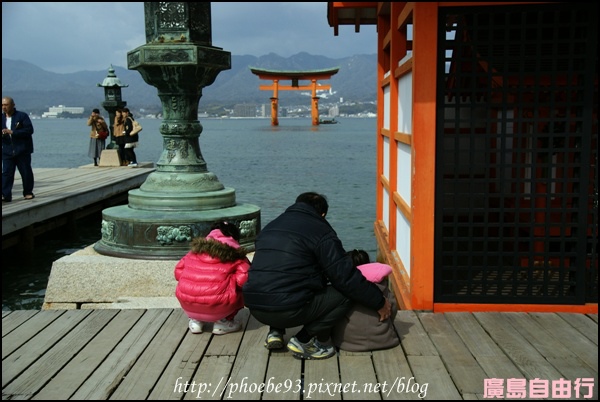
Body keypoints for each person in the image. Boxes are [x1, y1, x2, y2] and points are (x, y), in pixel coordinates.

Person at [242, 192, 392, 360]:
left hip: (255, 308)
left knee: (278, 278)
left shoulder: (271, 227)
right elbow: (346, 278)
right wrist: (378, 301)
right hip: (287, 310)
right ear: (322, 214)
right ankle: (304, 340)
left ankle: (275, 332)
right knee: (345, 293)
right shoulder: (322, 231)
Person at [174, 221, 251, 335]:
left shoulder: (193, 252)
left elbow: (178, 273)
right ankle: (223, 322)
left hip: (188, 305)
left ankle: (196, 321)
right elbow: (244, 280)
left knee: (191, 286)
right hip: (221, 307)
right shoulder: (235, 256)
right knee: (239, 288)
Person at [331, 249, 399, 352]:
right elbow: (393, 307)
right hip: (385, 340)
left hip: (348, 343)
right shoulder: (382, 285)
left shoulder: (344, 285)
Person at [2, 96, 35, 202]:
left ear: (13, 105)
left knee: (25, 172)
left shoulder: (22, 116)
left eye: (6, 105)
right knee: (7, 173)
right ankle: (5, 195)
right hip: (7, 150)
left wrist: (13, 132)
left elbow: (29, 130)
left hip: (22, 150)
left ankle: (28, 192)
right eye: (2, 105)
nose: (4, 107)